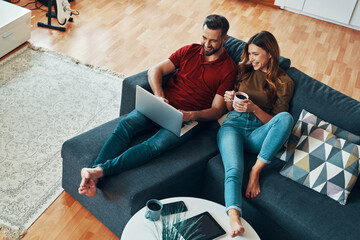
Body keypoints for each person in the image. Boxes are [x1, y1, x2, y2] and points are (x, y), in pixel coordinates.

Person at [78, 14, 238, 197]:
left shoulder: (228, 69)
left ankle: (98, 172)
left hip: (187, 120)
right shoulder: (189, 51)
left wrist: (190, 115)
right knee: (125, 125)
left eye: (213, 41)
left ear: (224, 39)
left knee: (154, 146)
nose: (207, 45)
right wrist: (159, 96)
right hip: (163, 105)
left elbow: (217, 110)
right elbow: (155, 70)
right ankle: (94, 176)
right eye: (204, 37)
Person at [217, 31, 295, 237]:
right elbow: (228, 108)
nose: (251, 59)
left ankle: (256, 171)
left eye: (256, 54)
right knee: (233, 169)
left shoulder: (284, 82)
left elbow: (278, 123)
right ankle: (234, 216)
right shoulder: (244, 69)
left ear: (270, 54)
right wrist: (228, 98)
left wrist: (254, 109)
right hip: (232, 126)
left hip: (257, 133)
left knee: (287, 117)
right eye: (249, 53)